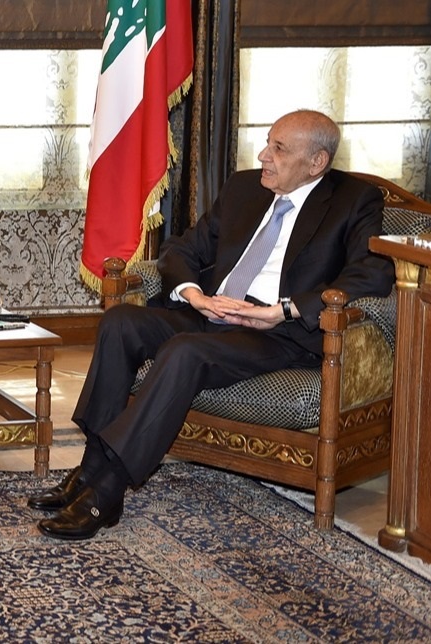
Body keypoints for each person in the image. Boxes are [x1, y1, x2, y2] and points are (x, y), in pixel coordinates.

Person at [29, 109, 394, 540]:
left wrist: (283, 310)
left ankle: (105, 491)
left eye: (279, 149)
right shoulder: (244, 188)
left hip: (274, 333)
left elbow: (372, 274)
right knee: (121, 321)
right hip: (210, 312)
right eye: (267, 142)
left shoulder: (355, 200)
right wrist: (194, 295)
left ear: (317, 162)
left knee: (184, 352)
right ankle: (91, 468)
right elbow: (183, 248)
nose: (264, 156)